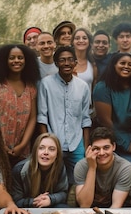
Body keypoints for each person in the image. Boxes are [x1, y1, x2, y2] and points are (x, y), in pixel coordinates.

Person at [0, 44, 40, 167]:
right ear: (4, 60)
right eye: (12, 58)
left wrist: (22, 145)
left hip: (21, 151)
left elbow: (33, 118)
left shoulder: (31, 88)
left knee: (17, 184)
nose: (16, 61)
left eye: (20, 58)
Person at [37, 46, 92, 184]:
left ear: (75, 62)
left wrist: (85, 147)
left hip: (76, 142)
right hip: (53, 140)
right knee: (52, 181)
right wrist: (45, 142)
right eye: (62, 60)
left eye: (69, 60)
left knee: (79, 181)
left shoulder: (83, 86)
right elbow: (42, 117)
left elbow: (86, 119)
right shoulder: (46, 84)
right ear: (56, 63)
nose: (66, 63)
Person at [93, 52, 131, 175]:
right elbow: (106, 122)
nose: (126, 66)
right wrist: (125, 145)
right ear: (114, 65)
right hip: (113, 141)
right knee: (127, 171)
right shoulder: (102, 88)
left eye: (130, 64)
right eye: (122, 63)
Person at [74, 127, 131, 208]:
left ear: (113, 146)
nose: (101, 153)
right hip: (89, 208)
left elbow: (116, 205)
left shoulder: (125, 167)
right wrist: (92, 168)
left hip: (117, 210)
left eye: (106, 147)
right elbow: (84, 205)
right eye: (96, 149)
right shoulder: (81, 166)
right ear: (90, 149)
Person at [11, 133, 69, 208]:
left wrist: (50, 199)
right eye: (41, 148)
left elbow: (63, 193)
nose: (46, 152)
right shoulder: (19, 170)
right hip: (27, 208)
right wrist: (34, 201)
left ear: (57, 154)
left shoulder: (59, 166)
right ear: (35, 151)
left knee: (63, 207)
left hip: (51, 205)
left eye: (51, 149)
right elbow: (16, 201)